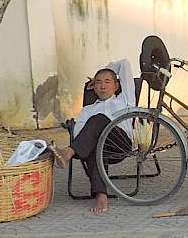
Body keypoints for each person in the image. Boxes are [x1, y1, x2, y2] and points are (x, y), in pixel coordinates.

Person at [51, 59, 135, 213]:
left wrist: (104, 71)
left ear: (116, 86)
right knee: (94, 144)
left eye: (107, 81)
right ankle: (101, 195)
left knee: (99, 119)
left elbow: (124, 64)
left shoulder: (125, 99)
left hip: (120, 143)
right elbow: (79, 134)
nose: (102, 85)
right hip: (98, 147)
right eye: (98, 83)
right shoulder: (87, 109)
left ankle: (67, 153)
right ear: (94, 88)